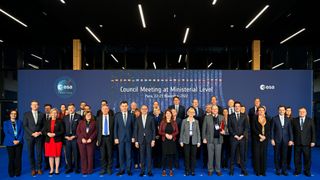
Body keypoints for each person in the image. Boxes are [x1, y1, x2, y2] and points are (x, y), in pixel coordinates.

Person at [291, 107, 316, 177]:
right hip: (297, 143)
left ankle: (307, 171)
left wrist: (313, 141)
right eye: (300, 112)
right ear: (298, 112)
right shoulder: (294, 120)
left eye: (303, 112)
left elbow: (313, 132)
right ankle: (297, 171)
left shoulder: (310, 120)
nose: (301, 113)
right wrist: (292, 140)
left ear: (306, 112)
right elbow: (292, 132)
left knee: (307, 158)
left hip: (307, 143)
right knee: (297, 158)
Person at [23, 100, 45, 176]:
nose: (35, 106)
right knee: (30, 153)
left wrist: (39, 132)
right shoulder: (26, 114)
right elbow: (25, 126)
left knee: (39, 153)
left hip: (39, 137)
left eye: (36, 105)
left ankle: (39, 168)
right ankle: (32, 169)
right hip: (30, 137)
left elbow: (44, 126)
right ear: (31, 106)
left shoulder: (42, 114)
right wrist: (32, 133)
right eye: (33, 105)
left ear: (38, 106)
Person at [271, 105, 293, 176]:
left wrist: (291, 140)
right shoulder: (274, 118)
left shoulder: (288, 119)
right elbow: (272, 130)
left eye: (283, 110)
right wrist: (272, 139)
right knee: (276, 155)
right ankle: (278, 170)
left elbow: (290, 131)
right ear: (278, 110)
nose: (281, 111)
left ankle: (284, 170)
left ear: (285, 111)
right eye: (280, 110)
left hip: (286, 140)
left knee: (284, 156)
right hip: (277, 140)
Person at [134, 105, 156, 177]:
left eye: (145, 109)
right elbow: (136, 130)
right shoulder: (138, 118)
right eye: (142, 109)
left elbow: (153, 130)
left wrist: (153, 140)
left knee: (149, 156)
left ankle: (149, 171)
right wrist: (136, 141)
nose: (144, 110)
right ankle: (142, 171)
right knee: (142, 156)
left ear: (147, 110)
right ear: (141, 110)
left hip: (149, 140)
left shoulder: (151, 118)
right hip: (141, 140)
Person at [114, 101, 135, 176]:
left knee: (129, 155)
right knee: (121, 155)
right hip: (120, 139)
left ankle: (129, 170)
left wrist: (133, 137)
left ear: (128, 107)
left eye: (126, 106)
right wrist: (116, 138)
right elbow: (115, 128)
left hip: (129, 138)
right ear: (120, 107)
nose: (124, 107)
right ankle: (121, 170)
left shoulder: (132, 115)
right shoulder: (117, 115)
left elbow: (134, 128)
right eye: (123, 106)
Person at [228, 101, 249, 176]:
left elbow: (246, 127)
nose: (237, 107)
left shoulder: (244, 116)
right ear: (234, 107)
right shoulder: (230, 116)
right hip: (234, 138)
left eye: (238, 106)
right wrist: (235, 135)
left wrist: (242, 135)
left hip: (242, 138)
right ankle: (231, 169)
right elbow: (229, 127)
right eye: (235, 106)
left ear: (240, 107)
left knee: (242, 155)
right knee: (232, 154)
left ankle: (243, 169)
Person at [202, 105, 224, 176]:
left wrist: (224, 131)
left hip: (219, 139)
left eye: (216, 109)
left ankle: (218, 170)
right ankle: (210, 170)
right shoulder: (207, 117)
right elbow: (204, 129)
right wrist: (204, 138)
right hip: (209, 139)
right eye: (213, 109)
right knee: (210, 155)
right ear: (211, 110)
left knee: (218, 156)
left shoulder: (221, 117)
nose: (214, 110)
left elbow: (225, 127)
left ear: (218, 110)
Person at [43, 108, 65, 175]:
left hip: (57, 140)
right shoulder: (47, 121)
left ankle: (57, 169)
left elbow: (62, 131)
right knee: (50, 156)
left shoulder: (60, 121)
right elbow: (44, 131)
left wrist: (55, 134)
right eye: (53, 113)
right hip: (49, 141)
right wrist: (48, 134)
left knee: (57, 155)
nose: (54, 114)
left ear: (57, 114)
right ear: (50, 114)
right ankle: (52, 169)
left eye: (55, 113)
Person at [180, 107, 201, 176]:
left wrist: (199, 141)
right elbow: (182, 132)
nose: (191, 113)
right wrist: (181, 141)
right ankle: (187, 170)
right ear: (187, 113)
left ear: (194, 113)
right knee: (186, 156)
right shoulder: (184, 121)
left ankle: (192, 170)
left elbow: (198, 132)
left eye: (192, 112)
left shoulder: (196, 121)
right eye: (190, 112)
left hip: (194, 140)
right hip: (186, 140)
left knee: (193, 156)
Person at [3, 109, 24, 177]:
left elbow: (22, 132)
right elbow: (6, 133)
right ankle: (11, 172)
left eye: (15, 113)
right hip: (9, 142)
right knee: (11, 158)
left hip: (19, 142)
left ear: (16, 115)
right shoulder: (6, 123)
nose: (13, 115)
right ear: (9, 114)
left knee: (18, 158)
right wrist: (13, 140)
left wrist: (18, 140)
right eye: (12, 113)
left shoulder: (20, 122)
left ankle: (17, 172)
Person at [159, 109, 179, 176]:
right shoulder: (162, 122)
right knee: (164, 156)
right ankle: (164, 170)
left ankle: (170, 170)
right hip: (165, 140)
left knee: (170, 156)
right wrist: (166, 134)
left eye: (169, 113)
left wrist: (172, 135)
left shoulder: (174, 122)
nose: (168, 114)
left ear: (171, 114)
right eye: (167, 113)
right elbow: (160, 131)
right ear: (165, 114)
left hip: (172, 141)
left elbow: (177, 131)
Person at [252, 106, 270, 176]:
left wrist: (264, 137)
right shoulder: (254, 118)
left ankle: (263, 171)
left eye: (262, 110)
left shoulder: (268, 119)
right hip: (257, 139)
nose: (261, 111)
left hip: (264, 140)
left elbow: (269, 130)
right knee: (257, 155)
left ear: (264, 111)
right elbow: (253, 128)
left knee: (263, 155)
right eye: (259, 110)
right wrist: (260, 135)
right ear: (257, 111)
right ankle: (258, 171)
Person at [63, 103, 81, 174]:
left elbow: (80, 129)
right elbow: (63, 128)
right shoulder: (65, 117)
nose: (71, 109)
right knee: (68, 154)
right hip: (67, 138)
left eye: (72, 108)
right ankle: (69, 167)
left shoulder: (79, 117)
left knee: (76, 154)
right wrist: (65, 136)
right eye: (69, 108)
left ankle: (76, 168)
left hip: (75, 138)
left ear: (74, 108)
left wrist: (75, 136)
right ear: (68, 109)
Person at [96, 104, 114, 175]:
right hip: (102, 138)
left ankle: (109, 168)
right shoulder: (98, 118)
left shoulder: (112, 118)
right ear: (101, 110)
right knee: (103, 155)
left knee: (110, 154)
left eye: (106, 109)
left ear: (108, 110)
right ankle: (103, 168)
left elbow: (114, 129)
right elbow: (97, 130)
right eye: (104, 109)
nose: (105, 110)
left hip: (109, 138)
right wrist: (97, 139)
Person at [43, 104, 52, 170]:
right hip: (44, 137)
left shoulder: (54, 116)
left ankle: (56, 164)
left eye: (48, 108)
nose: (47, 109)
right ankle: (47, 164)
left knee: (55, 151)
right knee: (46, 151)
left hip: (54, 136)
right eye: (46, 108)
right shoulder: (41, 116)